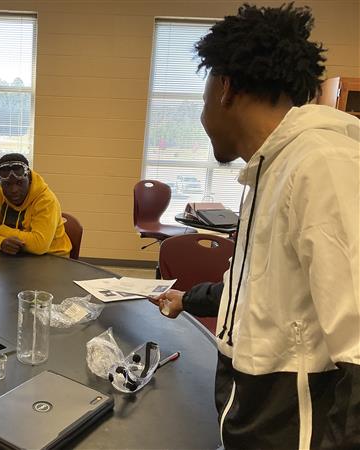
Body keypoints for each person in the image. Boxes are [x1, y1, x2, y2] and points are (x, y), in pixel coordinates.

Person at [149, 4, 359, 449]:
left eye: (203, 91)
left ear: (225, 88)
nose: (202, 110)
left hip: (292, 427)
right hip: (250, 415)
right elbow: (261, 289)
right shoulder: (269, 170)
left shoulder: (321, 164)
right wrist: (187, 298)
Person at [0, 153, 72, 256]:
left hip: (54, 257)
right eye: (7, 184)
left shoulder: (46, 200)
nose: (14, 190)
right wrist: (1, 242)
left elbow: (39, 245)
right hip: (16, 255)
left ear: (29, 178)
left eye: (20, 183)